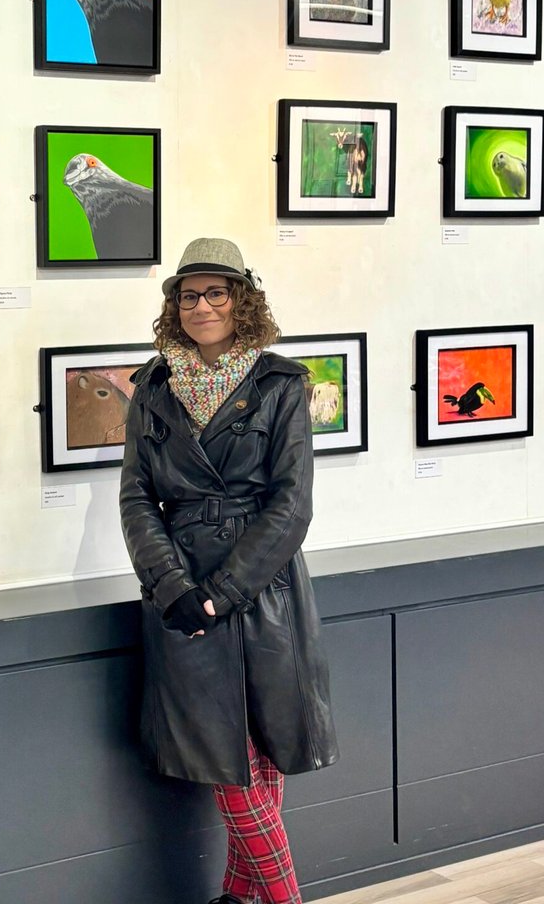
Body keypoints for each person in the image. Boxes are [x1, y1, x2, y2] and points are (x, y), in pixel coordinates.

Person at [119, 237, 337, 904]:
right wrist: (174, 588)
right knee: (231, 765)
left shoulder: (280, 383)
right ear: (174, 307)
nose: (202, 306)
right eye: (189, 295)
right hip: (181, 596)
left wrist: (222, 593)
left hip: (263, 594)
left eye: (217, 292)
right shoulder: (151, 389)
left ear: (242, 300)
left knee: (256, 763)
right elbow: (137, 498)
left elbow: (292, 502)